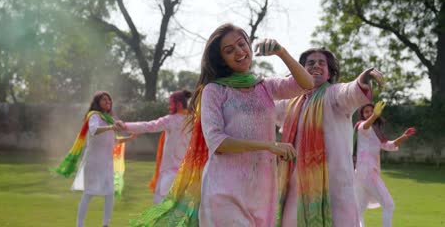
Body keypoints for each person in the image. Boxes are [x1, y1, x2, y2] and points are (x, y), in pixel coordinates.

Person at [195, 23, 314, 226]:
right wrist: (268, 145)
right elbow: (217, 142)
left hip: (262, 190)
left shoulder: (265, 86)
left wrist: (281, 52)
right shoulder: (214, 90)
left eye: (242, 44)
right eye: (229, 50)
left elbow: (307, 84)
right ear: (221, 59)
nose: (239, 52)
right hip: (225, 190)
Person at [279, 47, 384, 227]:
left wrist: (362, 80)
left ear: (329, 73)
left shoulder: (333, 95)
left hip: (335, 187)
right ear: (300, 70)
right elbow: (263, 107)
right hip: (297, 188)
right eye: (310, 63)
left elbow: (350, 92)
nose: (316, 66)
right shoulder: (290, 103)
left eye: (322, 63)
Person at [53, 91, 134, 227]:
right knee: (89, 193)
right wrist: (111, 127)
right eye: (104, 100)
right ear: (97, 102)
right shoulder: (94, 116)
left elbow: (113, 141)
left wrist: (129, 138)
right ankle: (80, 225)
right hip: (94, 162)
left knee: (109, 193)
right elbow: (93, 130)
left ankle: (105, 224)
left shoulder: (109, 119)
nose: (107, 102)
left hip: (107, 163)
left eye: (109, 100)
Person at [122, 89, 193, 204]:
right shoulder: (193, 121)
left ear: (179, 104)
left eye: (171, 104)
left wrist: (125, 126)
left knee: (159, 210)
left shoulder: (171, 120)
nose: (169, 107)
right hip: (186, 175)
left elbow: (149, 126)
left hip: (169, 175)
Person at [354, 101, 416, 227]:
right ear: (362, 115)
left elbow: (389, 145)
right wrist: (375, 116)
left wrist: (403, 136)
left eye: (372, 111)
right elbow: (365, 126)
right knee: (388, 205)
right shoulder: (361, 126)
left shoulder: (377, 132)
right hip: (367, 171)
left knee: (358, 209)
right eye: (366, 112)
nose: (370, 113)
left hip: (361, 172)